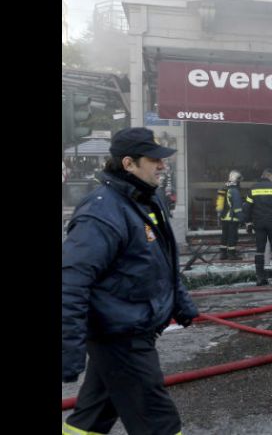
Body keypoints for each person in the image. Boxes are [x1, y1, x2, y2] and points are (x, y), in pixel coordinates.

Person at [62, 127, 199, 435]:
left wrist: (182, 304)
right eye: (154, 159)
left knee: (90, 419)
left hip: (129, 329)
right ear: (128, 164)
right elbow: (71, 282)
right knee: (160, 424)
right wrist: (68, 351)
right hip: (121, 336)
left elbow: (162, 261)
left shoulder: (147, 200)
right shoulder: (102, 211)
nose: (162, 165)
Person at [243, 168, 272, 285]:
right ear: (270, 176)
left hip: (258, 224)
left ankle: (260, 278)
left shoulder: (253, 188)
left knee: (259, 250)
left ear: (262, 176)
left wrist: (248, 222)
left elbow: (247, 207)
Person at [216, 170, 245, 260]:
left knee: (224, 235)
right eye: (239, 180)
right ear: (235, 180)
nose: (239, 182)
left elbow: (219, 205)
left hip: (224, 217)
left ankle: (223, 253)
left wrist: (220, 215)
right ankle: (232, 254)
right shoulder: (234, 191)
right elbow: (237, 207)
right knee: (233, 236)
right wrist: (242, 218)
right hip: (232, 218)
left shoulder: (224, 188)